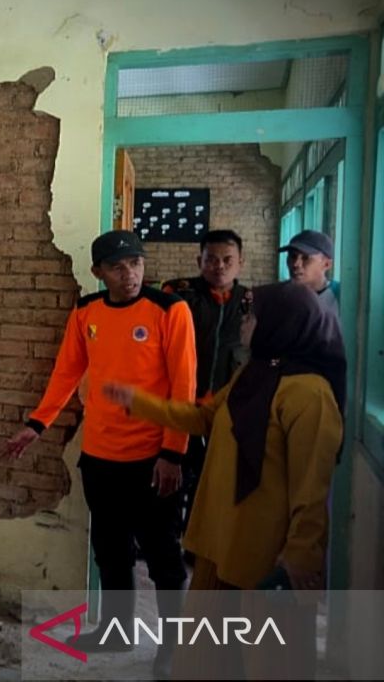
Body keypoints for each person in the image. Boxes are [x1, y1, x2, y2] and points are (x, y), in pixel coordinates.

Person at [103, 281, 344, 679]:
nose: (244, 323)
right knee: (208, 652)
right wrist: (138, 402)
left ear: (280, 324)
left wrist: (301, 553)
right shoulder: (254, 373)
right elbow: (205, 418)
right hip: (221, 537)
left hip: (264, 551)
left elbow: (312, 486)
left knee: (268, 657)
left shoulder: (309, 395)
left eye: (251, 316)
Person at [3, 229, 196, 678]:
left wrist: (174, 454)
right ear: (99, 272)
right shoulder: (87, 311)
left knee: (164, 556)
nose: (129, 274)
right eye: (117, 266)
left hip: (153, 459)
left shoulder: (170, 310)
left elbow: (184, 386)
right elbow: (67, 371)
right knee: (110, 551)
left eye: (136, 263)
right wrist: (37, 424)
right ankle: (116, 629)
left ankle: (174, 647)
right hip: (101, 456)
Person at [161, 229, 251, 551]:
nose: (219, 266)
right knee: (172, 476)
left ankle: (197, 544)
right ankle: (167, 540)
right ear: (199, 260)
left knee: (212, 481)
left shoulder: (250, 302)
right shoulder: (179, 294)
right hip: (183, 406)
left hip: (225, 409)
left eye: (228, 260)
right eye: (211, 259)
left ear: (241, 262)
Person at [280, 229, 340, 319]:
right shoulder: (281, 295)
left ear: (326, 264)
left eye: (305, 258)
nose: (296, 264)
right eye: (293, 256)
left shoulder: (341, 297)